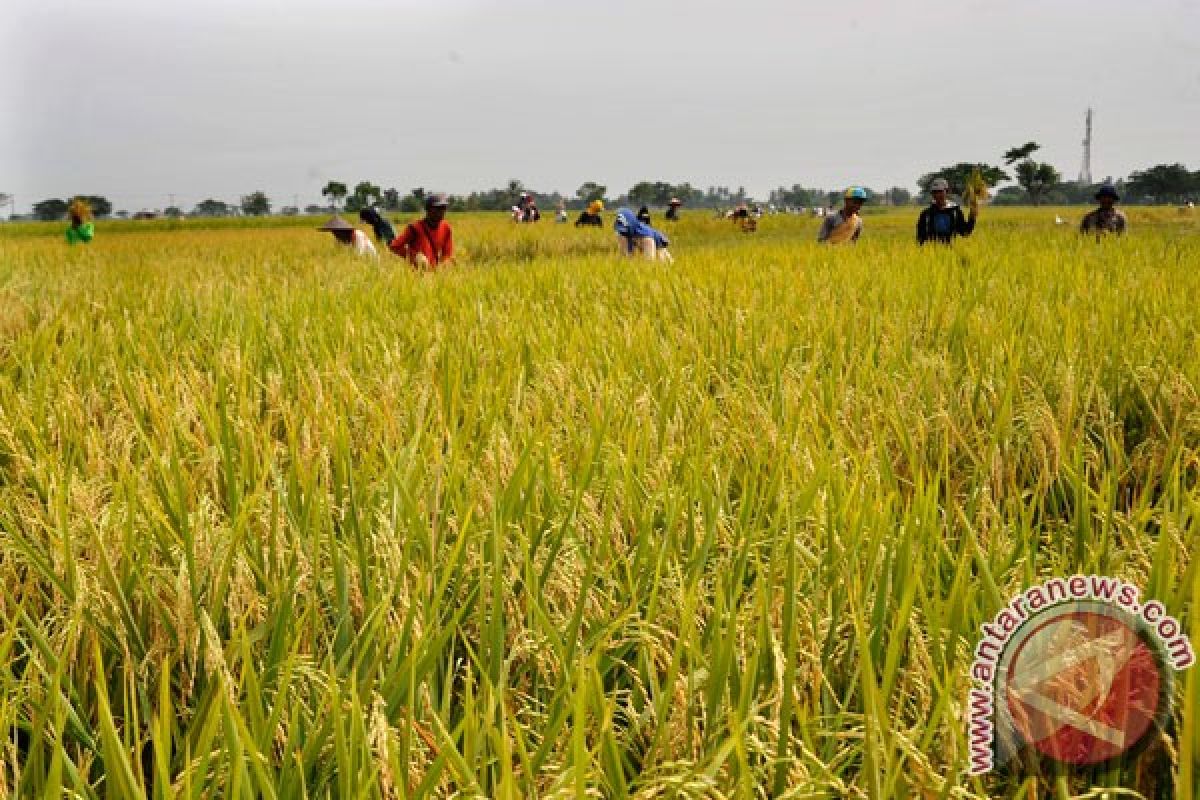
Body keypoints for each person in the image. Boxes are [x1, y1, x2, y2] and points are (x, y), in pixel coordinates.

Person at [389, 193, 454, 269]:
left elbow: (447, 254)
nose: (441, 211)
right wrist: (415, 256)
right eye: (437, 208)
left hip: (434, 274)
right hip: (416, 274)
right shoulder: (414, 228)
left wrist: (444, 267)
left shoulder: (446, 228)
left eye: (443, 208)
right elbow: (394, 246)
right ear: (428, 209)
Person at [916, 177, 977, 244]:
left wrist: (972, 216)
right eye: (935, 192)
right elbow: (920, 239)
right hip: (929, 252)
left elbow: (965, 232)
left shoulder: (955, 212)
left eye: (940, 191)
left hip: (950, 253)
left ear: (947, 192)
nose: (937, 195)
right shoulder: (926, 214)